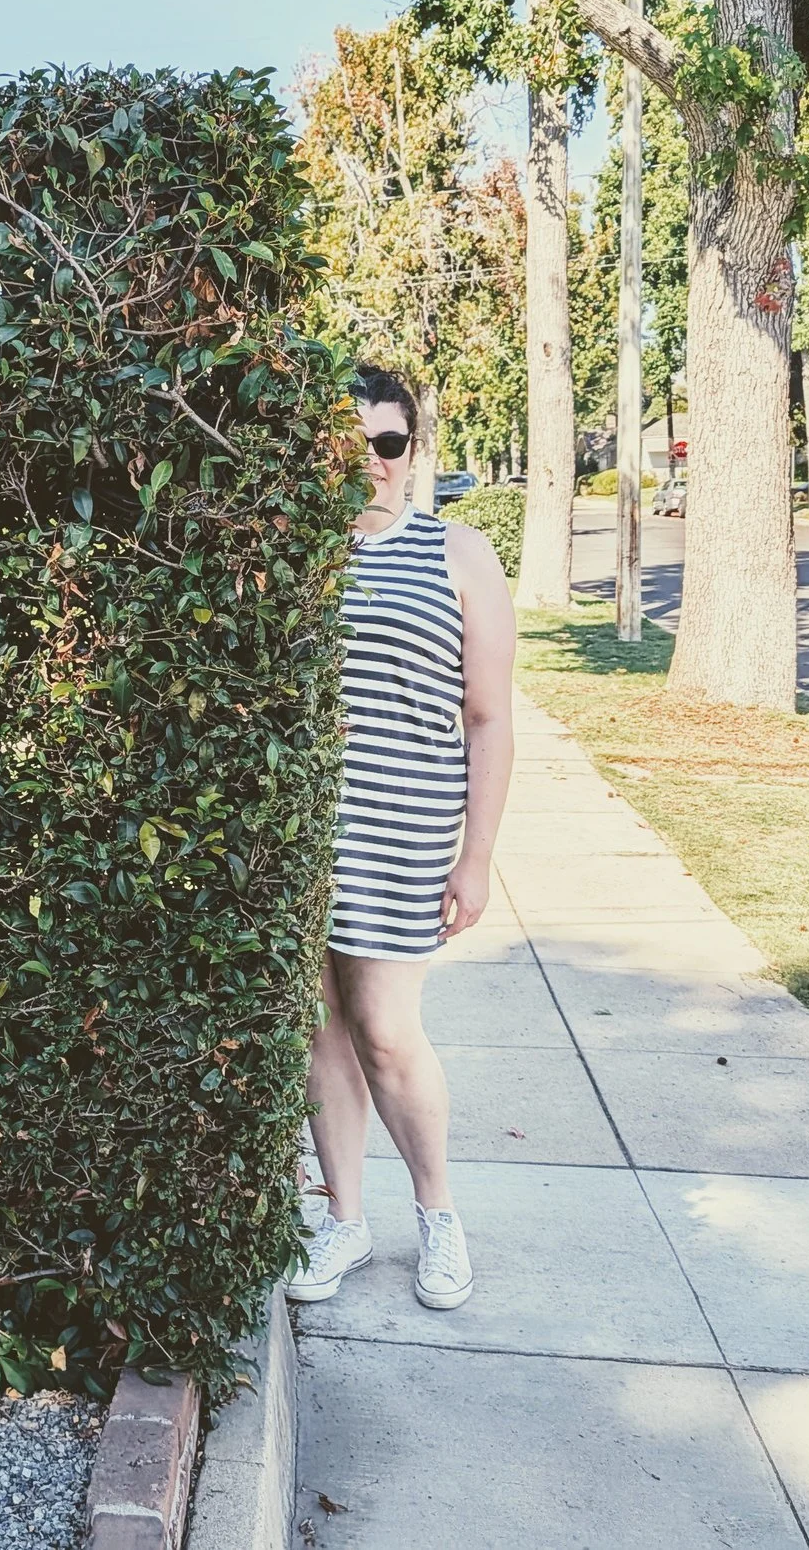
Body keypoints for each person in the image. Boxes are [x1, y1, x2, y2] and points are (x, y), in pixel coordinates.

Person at [285, 364, 516, 1310]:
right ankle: (344, 1220)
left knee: (385, 1030)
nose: (371, 461)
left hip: (403, 830)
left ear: (413, 450)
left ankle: (438, 1213)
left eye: (388, 443)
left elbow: (489, 719)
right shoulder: (299, 552)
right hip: (303, 831)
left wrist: (477, 856)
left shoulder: (458, 554)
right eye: (354, 444)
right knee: (320, 1029)